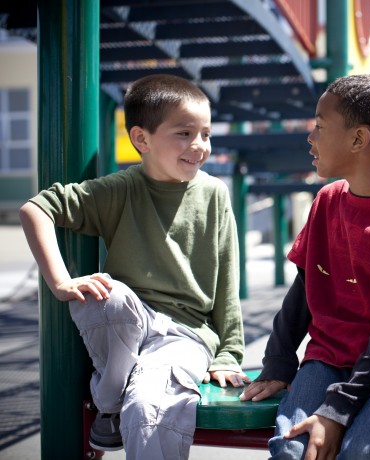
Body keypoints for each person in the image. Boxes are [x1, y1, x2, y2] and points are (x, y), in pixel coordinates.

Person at [19, 74, 248, 459]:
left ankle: (112, 403)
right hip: (129, 323)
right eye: (184, 133)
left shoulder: (213, 194)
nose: (200, 146)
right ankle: (110, 401)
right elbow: (36, 209)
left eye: (206, 134)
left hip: (184, 334)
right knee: (102, 294)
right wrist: (60, 281)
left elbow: (227, 279)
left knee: (147, 409)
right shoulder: (120, 190)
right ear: (141, 139)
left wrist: (230, 352)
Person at [239, 73, 370, 460]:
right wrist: (278, 363)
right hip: (327, 357)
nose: (309, 137)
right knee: (290, 450)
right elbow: (301, 293)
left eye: (319, 125)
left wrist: (338, 408)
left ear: (358, 139)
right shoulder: (327, 200)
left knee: (361, 454)